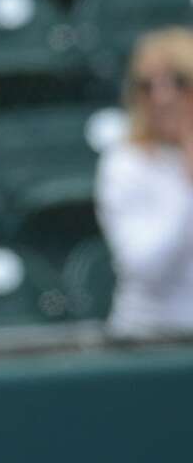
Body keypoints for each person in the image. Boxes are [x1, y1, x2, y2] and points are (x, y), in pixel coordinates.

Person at [95, 28, 193, 336]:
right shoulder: (124, 163)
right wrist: (189, 189)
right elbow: (145, 267)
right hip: (148, 342)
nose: (162, 97)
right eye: (147, 85)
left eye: (178, 82)